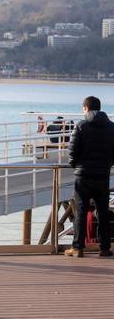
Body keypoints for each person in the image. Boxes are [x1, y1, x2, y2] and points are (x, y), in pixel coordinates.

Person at [65, 96, 114, 258]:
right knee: (103, 212)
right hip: (102, 176)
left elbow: (72, 151)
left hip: (83, 176)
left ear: (86, 108)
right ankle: (105, 248)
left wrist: (75, 165)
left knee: (80, 211)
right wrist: (107, 165)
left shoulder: (81, 126)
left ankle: (78, 248)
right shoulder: (111, 127)